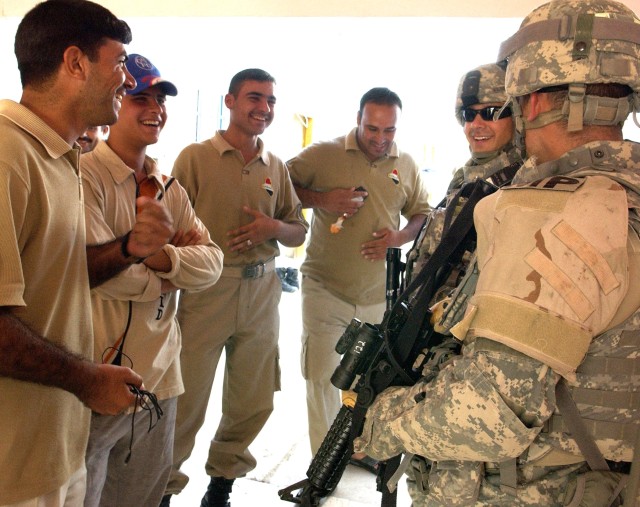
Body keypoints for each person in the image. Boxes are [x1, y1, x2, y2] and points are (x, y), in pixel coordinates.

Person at [354, 0, 640, 505]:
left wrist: (382, 418)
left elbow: (489, 412)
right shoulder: (623, 194)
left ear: (527, 102)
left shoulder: (555, 215)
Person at [0, 1, 176, 505]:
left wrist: (128, 249)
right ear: (75, 63)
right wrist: (85, 379)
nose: (125, 80)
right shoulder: (8, 154)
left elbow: (58, 274)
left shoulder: (60, 154)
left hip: (57, 446)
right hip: (13, 465)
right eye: (118, 63)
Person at [81, 54, 224, 507]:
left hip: (159, 382)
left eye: (160, 99)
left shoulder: (168, 186)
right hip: (96, 379)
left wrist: (160, 257)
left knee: (141, 498)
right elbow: (101, 274)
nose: (154, 108)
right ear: (113, 101)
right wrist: (172, 272)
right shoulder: (85, 177)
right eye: (140, 97)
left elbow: (213, 263)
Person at [162, 68, 308, 507]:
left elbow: (298, 232)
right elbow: (168, 222)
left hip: (263, 291)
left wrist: (272, 227)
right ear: (229, 101)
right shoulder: (194, 157)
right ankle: (164, 488)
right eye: (254, 98)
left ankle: (222, 485)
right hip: (207, 292)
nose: (264, 108)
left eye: (270, 100)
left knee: (253, 397)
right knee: (183, 398)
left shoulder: (276, 167)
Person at [287, 87, 430, 458]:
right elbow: (280, 187)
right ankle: (324, 461)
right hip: (324, 287)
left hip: (378, 296)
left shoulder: (407, 164)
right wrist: (321, 200)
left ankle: (361, 452)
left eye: (389, 131)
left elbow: (422, 214)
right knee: (320, 376)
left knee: (372, 381)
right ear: (358, 120)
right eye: (373, 129)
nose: (381, 139)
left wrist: (399, 238)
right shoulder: (324, 154)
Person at [404, 63, 521, 288]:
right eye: (469, 114)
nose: (476, 125)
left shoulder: (518, 184)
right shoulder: (465, 179)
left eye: (490, 113)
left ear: (516, 116)